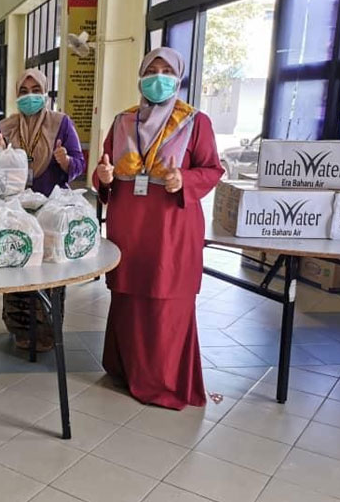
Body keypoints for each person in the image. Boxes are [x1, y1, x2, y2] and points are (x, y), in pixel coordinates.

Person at [94, 47, 223, 410]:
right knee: (128, 297)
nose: (159, 76)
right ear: (140, 75)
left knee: (166, 298)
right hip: (129, 225)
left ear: (179, 76)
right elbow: (104, 171)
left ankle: (164, 383)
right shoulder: (123, 120)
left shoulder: (195, 122)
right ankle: (125, 369)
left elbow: (212, 169)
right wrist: (102, 177)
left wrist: (185, 179)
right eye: (152, 69)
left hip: (171, 227)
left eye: (167, 70)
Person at [0, 68, 86, 352]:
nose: (29, 96)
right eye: (23, 91)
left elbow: (79, 164)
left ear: (45, 93)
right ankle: (19, 326)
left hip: (50, 212)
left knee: (49, 272)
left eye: (35, 91)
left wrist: (66, 160)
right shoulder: (6, 127)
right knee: (15, 265)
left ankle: (46, 331)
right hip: (15, 212)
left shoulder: (61, 124)